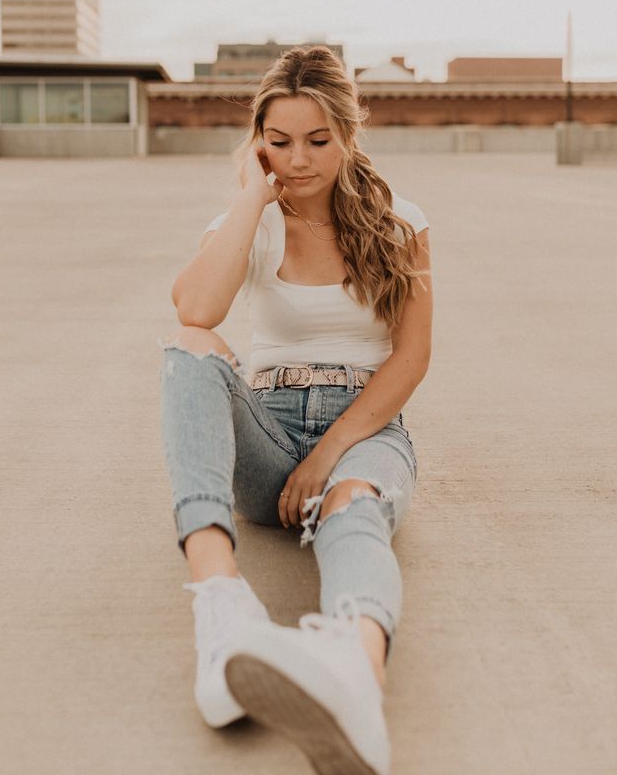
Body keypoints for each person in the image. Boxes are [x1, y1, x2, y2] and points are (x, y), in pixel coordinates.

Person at [158, 45, 432, 775]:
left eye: (318, 141)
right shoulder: (251, 220)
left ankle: (355, 672)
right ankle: (221, 606)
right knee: (189, 346)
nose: (299, 160)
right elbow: (197, 308)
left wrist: (327, 453)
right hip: (266, 424)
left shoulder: (401, 223)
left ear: (348, 135)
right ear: (257, 142)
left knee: (353, 505)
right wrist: (251, 195)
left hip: (365, 424)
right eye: (279, 143)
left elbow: (410, 359)